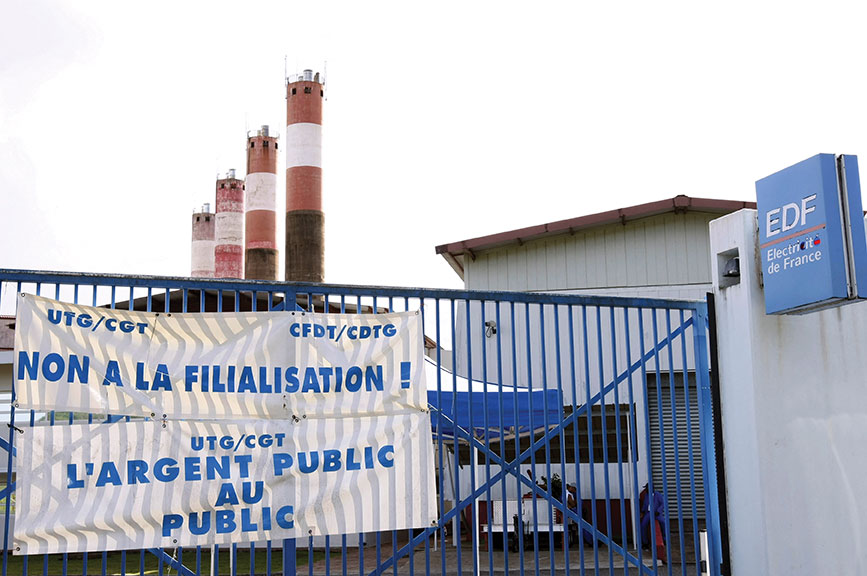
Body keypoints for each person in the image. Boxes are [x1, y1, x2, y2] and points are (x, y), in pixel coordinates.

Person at [639, 484, 667, 563]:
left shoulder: (658, 495)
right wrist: (642, 511)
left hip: (656, 513)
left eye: (647, 488)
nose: (646, 490)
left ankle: (664, 539)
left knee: (663, 523)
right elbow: (645, 505)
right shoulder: (647, 496)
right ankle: (645, 543)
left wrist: (658, 511)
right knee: (643, 525)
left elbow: (662, 504)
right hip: (648, 513)